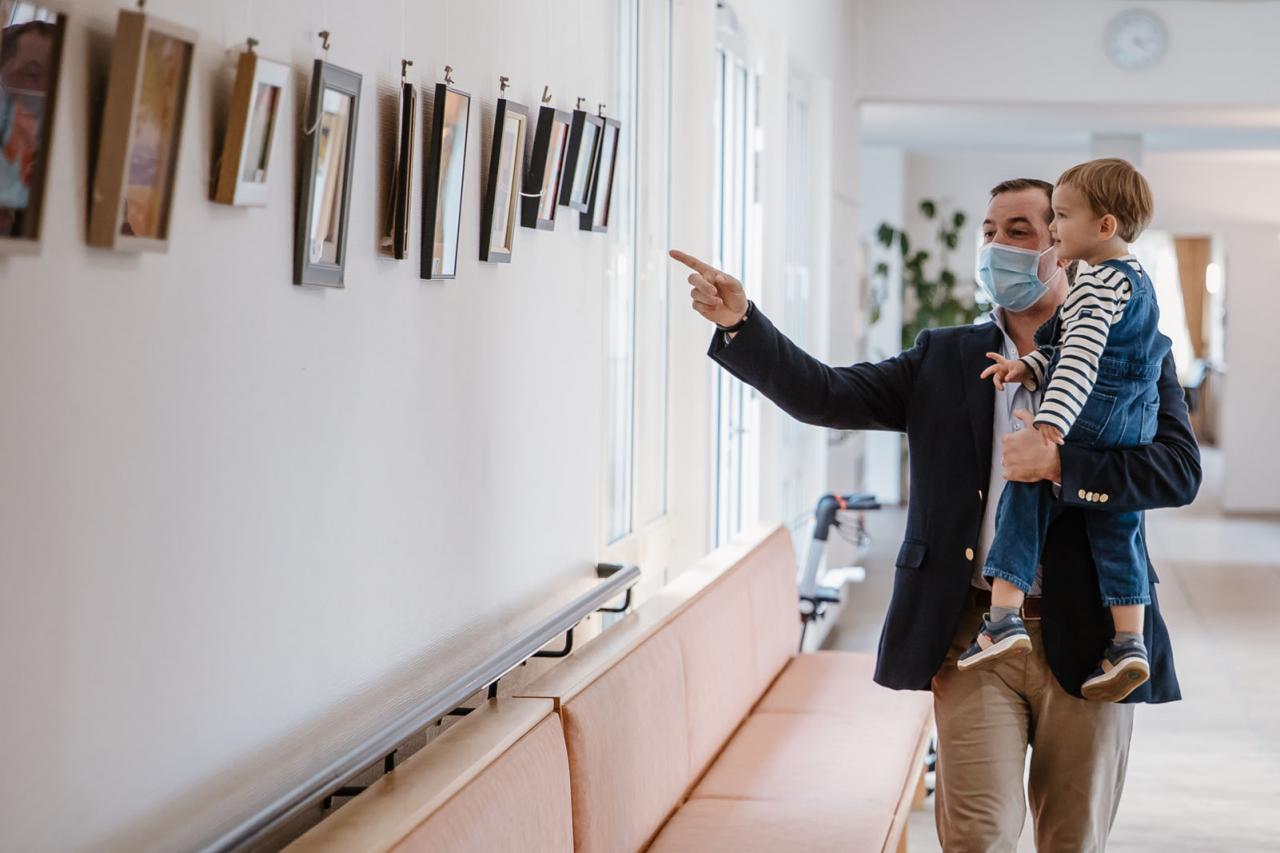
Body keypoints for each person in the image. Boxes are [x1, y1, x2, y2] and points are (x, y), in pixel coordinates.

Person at [669, 175, 1200, 851]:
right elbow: (829, 394)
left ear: (1062, 245)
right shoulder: (944, 356)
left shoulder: (1135, 349)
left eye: (1019, 231)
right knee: (975, 839)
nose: (996, 246)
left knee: (1073, 839)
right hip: (974, 635)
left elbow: (1179, 471)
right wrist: (742, 323)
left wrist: (1064, 466)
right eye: (988, 231)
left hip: (1095, 635)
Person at [960, 159, 1168, 704]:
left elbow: (1077, 360)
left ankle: (1002, 617)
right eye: (989, 233)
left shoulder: (1095, 282)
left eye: (1058, 218)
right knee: (1119, 530)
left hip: (1094, 416)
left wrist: (1050, 429)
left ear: (1104, 227)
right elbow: (1077, 348)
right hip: (1131, 422)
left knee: (1024, 491)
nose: (1055, 230)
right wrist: (1029, 367)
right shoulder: (1135, 278)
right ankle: (1128, 642)